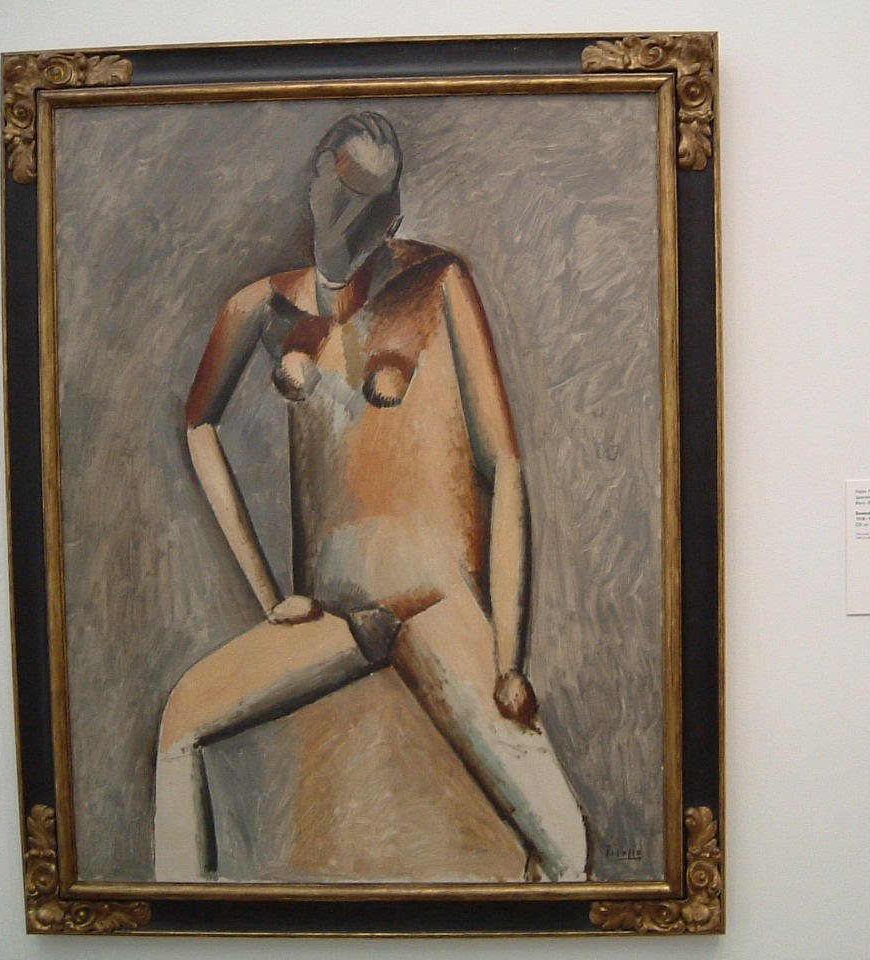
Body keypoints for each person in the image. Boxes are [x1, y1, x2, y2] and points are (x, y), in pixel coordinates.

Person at [153, 111, 588, 883]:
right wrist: (270, 596)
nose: (356, 214)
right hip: (335, 617)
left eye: (375, 200)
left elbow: (506, 467)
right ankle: (179, 917)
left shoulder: (439, 281)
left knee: (565, 845)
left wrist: (508, 657)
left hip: (435, 603)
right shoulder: (263, 305)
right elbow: (198, 425)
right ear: (316, 179)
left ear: (394, 211)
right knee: (181, 724)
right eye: (345, 189)